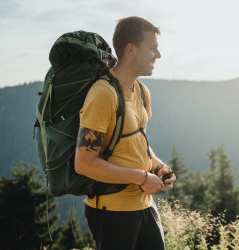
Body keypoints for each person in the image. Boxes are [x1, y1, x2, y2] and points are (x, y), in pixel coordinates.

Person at [74, 16, 176, 250]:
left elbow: (135, 143)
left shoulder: (141, 91)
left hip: (144, 205)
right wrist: (141, 178)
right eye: (152, 49)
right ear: (131, 49)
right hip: (113, 210)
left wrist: (158, 167)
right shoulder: (103, 94)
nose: (158, 56)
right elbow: (84, 163)